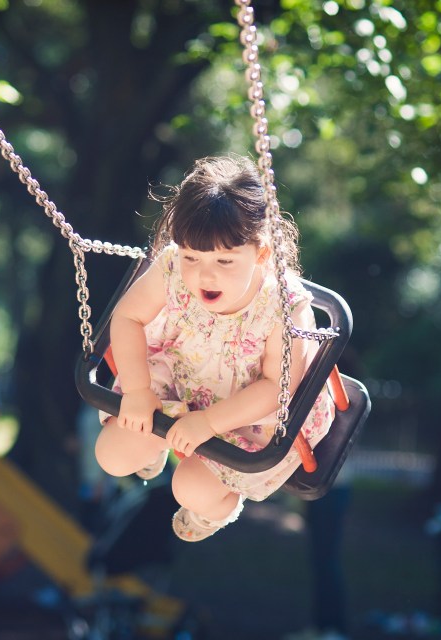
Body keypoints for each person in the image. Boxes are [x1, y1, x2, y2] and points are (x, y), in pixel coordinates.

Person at [94, 156, 335, 542]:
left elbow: (279, 388)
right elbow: (127, 318)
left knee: (190, 490)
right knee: (112, 456)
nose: (205, 274)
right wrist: (138, 392)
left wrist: (207, 423)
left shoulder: (286, 303)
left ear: (261, 253)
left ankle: (217, 509)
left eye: (225, 260)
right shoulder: (173, 266)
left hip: (246, 412)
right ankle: (155, 446)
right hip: (180, 375)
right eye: (192, 256)